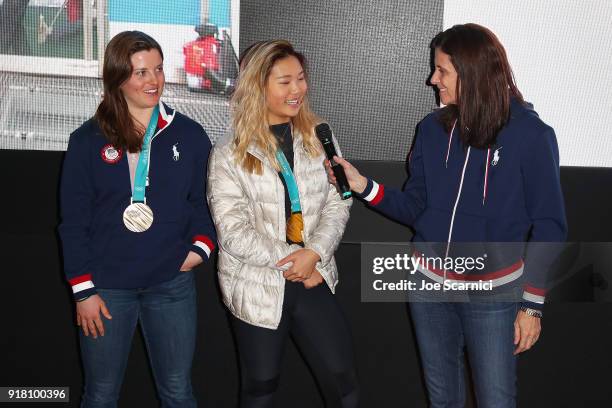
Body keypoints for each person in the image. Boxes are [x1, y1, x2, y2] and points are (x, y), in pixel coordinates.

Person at [327, 24, 567, 408]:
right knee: (443, 402)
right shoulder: (432, 130)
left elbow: (551, 226)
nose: (432, 79)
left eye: (442, 71)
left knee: (496, 402)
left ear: (472, 72)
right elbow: (416, 208)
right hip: (428, 289)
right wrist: (363, 187)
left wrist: (532, 304)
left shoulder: (531, 136)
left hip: (494, 296)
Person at [58, 31, 216, 408]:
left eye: (158, 70)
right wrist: (83, 290)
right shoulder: (86, 141)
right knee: (100, 395)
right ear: (117, 79)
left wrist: (199, 249)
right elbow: (73, 222)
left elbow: (203, 203)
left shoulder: (190, 135)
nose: (153, 81)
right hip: (107, 290)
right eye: (141, 73)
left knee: (178, 391)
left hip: (171, 286)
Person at [207, 40, 359, 407]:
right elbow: (233, 233)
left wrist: (315, 253)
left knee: (345, 385)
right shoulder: (229, 152)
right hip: (257, 284)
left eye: (301, 79)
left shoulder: (319, 135)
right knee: (260, 389)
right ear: (258, 86)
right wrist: (297, 257)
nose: (298, 90)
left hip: (314, 276)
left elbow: (340, 201)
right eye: (285, 81)